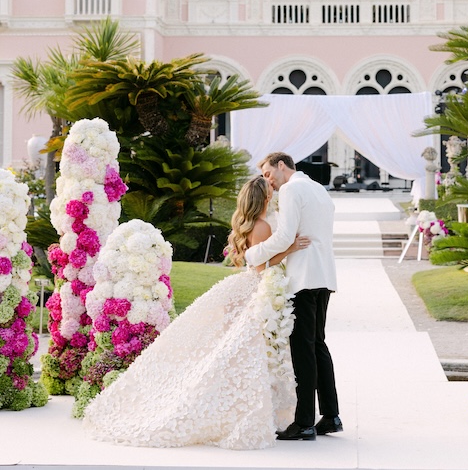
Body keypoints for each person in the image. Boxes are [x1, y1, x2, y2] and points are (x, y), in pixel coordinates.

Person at [82, 176, 310, 450]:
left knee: (231, 353)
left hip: (245, 287)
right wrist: (290, 249)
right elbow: (262, 267)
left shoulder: (250, 224)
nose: (272, 199)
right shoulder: (260, 226)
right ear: (263, 199)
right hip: (256, 291)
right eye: (269, 196)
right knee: (244, 353)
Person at [245, 151, 341, 442]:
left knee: (303, 350)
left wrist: (253, 254)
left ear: (282, 166)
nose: (268, 181)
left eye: (268, 173)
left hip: (302, 278)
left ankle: (304, 423)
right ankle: (331, 416)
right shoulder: (319, 190)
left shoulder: (291, 190)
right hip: (324, 276)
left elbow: (286, 236)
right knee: (318, 346)